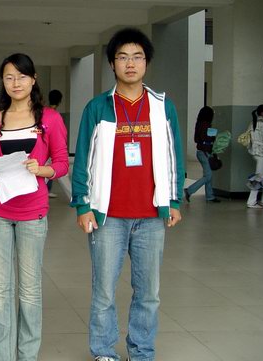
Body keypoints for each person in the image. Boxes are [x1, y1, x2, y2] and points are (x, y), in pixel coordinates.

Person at [71, 28, 184, 361]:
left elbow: (174, 154)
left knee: (148, 292)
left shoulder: (162, 107)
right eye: (122, 57)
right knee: (104, 291)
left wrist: (173, 200)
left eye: (137, 57)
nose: (130, 64)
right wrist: (82, 205)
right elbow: (83, 157)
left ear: (146, 62)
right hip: (108, 215)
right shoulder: (98, 107)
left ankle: (142, 350)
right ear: (112, 64)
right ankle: (104, 351)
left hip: (151, 216)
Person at [0, 54, 69, 361]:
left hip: (33, 213)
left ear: (33, 79)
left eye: (22, 76)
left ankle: (27, 356)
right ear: (2, 82)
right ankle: (3, 356)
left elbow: (61, 163)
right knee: (0, 292)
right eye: (9, 77)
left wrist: (41, 170)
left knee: (29, 292)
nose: (15, 83)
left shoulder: (49, 119)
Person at [184, 106, 218, 203]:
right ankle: (189, 190)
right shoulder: (206, 125)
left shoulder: (198, 124)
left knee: (208, 174)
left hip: (200, 152)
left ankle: (210, 196)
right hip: (205, 152)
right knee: (208, 176)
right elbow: (209, 139)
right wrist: (213, 137)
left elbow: (196, 139)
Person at [46, 89, 64, 198]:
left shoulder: (45, 112)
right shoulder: (54, 114)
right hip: (51, 149)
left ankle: (46, 190)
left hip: (48, 148)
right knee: (59, 173)